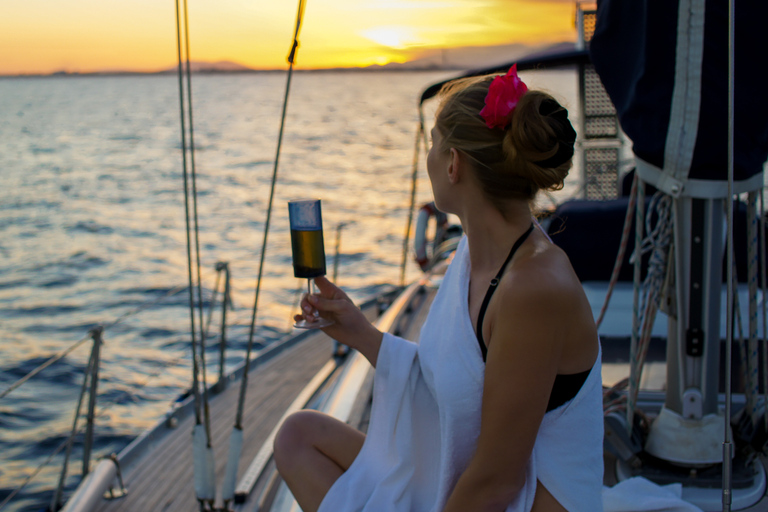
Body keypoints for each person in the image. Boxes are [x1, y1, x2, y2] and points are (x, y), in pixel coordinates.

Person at [273, 65, 604, 512]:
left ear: (454, 164)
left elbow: (496, 482)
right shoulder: (475, 252)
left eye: (433, 143)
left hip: (520, 500)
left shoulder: (533, 288)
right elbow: (451, 380)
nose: (428, 156)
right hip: (463, 480)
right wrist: (358, 332)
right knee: (299, 437)